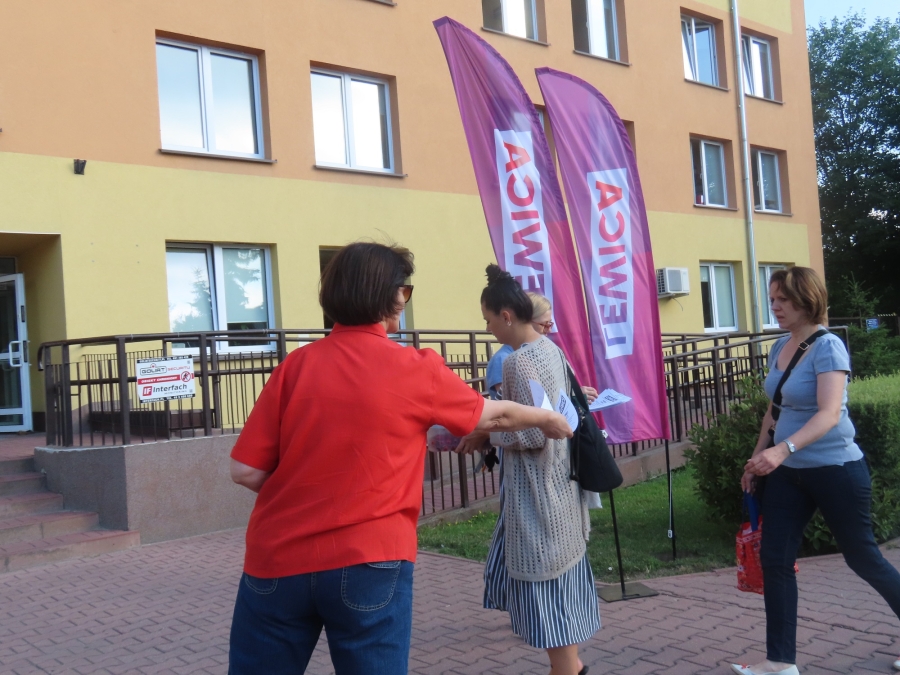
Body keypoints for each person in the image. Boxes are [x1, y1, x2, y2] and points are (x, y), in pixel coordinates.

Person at [227, 243, 573, 675]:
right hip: (370, 557)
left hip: (276, 560)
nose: (404, 300)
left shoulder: (294, 367)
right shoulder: (413, 366)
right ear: (389, 297)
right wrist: (547, 418)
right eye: (403, 291)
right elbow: (493, 415)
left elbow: (245, 470)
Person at [732, 267, 900, 675]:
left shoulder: (828, 347)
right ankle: (780, 662)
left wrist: (782, 451)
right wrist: (758, 459)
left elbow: (828, 414)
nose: (775, 307)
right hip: (789, 473)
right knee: (775, 559)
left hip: (836, 469)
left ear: (807, 301)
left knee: (862, 558)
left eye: (783, 300)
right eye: (772, 299)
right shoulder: (780, 346)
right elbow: (774, 411)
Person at [478, 265, 600, 675]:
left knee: (550, 604)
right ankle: (569, 666)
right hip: (562, 488)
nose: (488, 328)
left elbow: (532, 434)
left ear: (506, 316)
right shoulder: (551, 349)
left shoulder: (516, 363)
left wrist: (487, 436)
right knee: (559, 596)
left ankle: (568, 669)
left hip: (536, 494)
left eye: (488, 320)